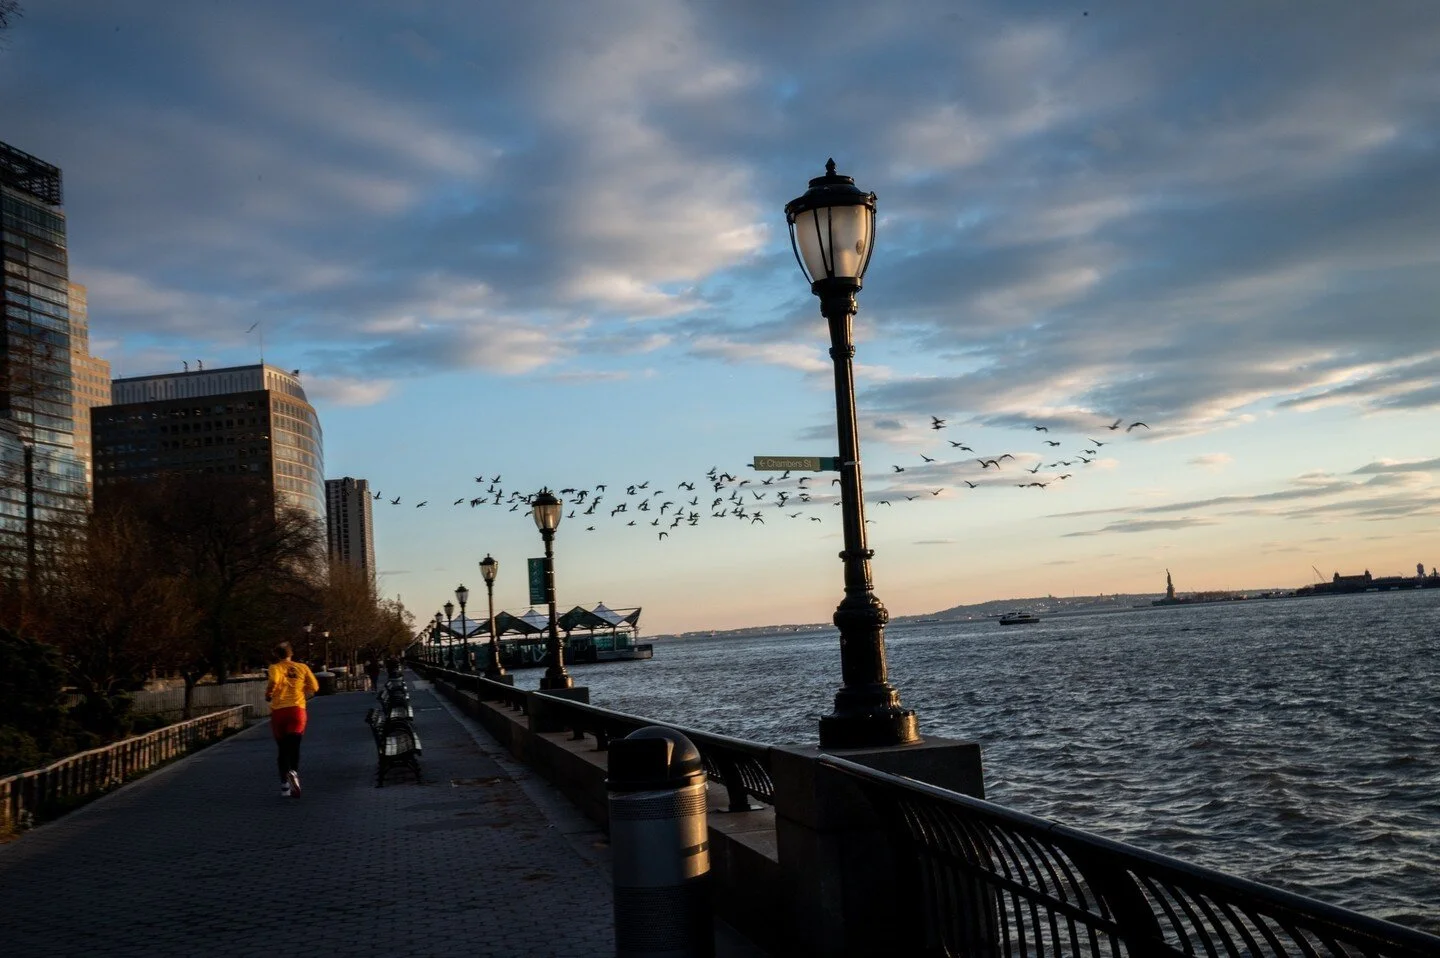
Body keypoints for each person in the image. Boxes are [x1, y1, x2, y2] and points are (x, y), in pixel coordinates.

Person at [265, 641, 319, 797]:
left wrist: (269, 693)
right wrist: (302, 690)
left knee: (282, 750)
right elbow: (315, 687)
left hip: (279, 711)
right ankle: (294, 772)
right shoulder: (302, 668)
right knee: (294, 746)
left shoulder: (275, 668)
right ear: (291, 653)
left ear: (276, 655)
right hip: (297, 710)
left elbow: (274, 681)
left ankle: (284, 786)